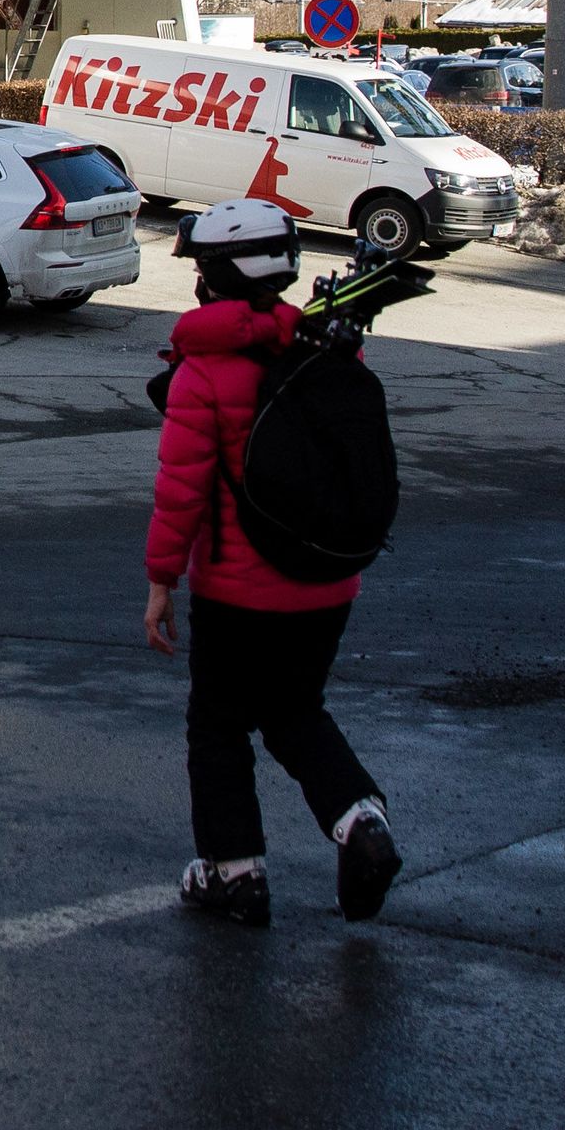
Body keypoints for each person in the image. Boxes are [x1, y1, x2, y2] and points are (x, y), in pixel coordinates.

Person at [144, 197, 397, 930]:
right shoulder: (323, 349)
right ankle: (360, 821)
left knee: (217, 726)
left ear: (218, 277)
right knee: (295, 710)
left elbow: (181, 493)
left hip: (237, 592)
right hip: (328, 579)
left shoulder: (203, 374)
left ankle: (234, 873)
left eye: (200, 268)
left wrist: (162, 582)